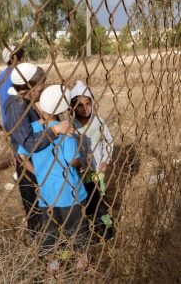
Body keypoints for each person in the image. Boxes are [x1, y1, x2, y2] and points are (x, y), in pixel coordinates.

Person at [16, 85, 89, 272]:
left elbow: (22, 157)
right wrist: (83, 160)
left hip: (46, 193)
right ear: (64, 110)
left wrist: (38, 173)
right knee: (76, 228)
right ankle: (82, 260)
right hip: (69, 191)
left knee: (49, 231)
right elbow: (72, 161)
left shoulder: (32, 130)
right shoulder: (67, 131)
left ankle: (53, 263)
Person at [3, 62, 73, 233]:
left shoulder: (23, 101)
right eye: (40, 90)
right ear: (27, 88)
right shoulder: (16, 106)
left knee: (43, 203)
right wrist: (54, 130)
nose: (42, 93)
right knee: (34, 204)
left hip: (38, 162)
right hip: (28, 165)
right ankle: (41, 241)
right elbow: (28, 142)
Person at [70, 80, 115, 241]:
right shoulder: (71, 127)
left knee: (101, 202)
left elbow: (108, 141)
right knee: (88, 203)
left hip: (98, 172)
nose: (85, 108)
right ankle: (94, 229)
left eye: (88, 103)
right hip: (82, 174)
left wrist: (106, 161)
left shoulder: (99, 122)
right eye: (80, 105)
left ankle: (106, 231)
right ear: (73, 107)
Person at [0, 45, 24, 126]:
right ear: (17, 60)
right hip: (22, 120)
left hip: (7, 122)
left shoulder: (2, 74)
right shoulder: (22, 74)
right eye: (21, 58)